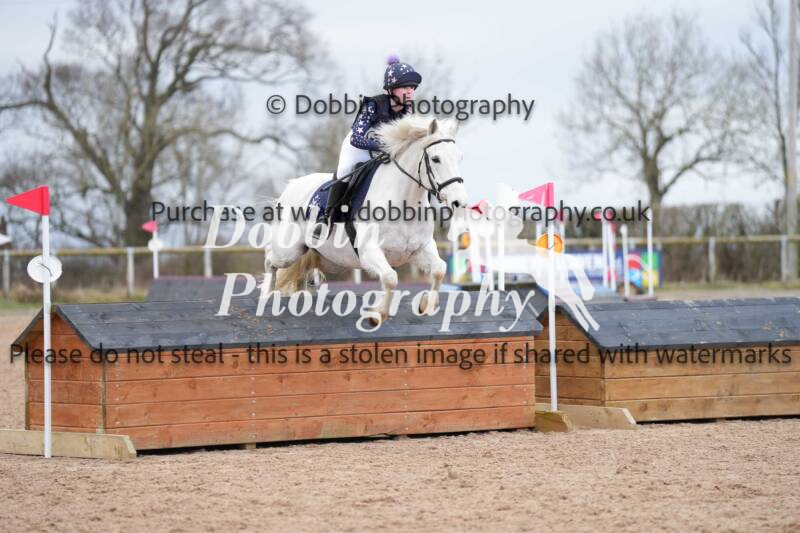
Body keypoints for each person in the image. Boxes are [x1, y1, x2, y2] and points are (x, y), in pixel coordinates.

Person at [317, 56, 422, 231]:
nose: (410, 91)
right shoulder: (373, 105)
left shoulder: (407, 111)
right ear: (391, 89)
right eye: (405, 87)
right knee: (345, 171)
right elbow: (356, 138)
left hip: (383, 151)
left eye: (412, 88)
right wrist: (383, 146)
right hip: (357, 148)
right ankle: (326, 217)